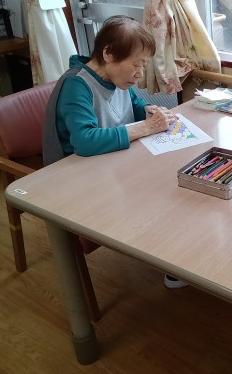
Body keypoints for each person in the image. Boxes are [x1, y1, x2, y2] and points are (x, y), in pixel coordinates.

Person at [43, 15, 186, 289]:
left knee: (168, 181)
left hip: (111, 163)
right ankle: (168, 257)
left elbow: (134, 105)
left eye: (143, 65)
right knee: (157, 195)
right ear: (108, 53)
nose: (139, 73)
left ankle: (172, 253)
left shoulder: (117, 80)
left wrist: (149, 111)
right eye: (136, 64)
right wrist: (146, 127)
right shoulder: (77, 85)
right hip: (76, 176)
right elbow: (84, 141)